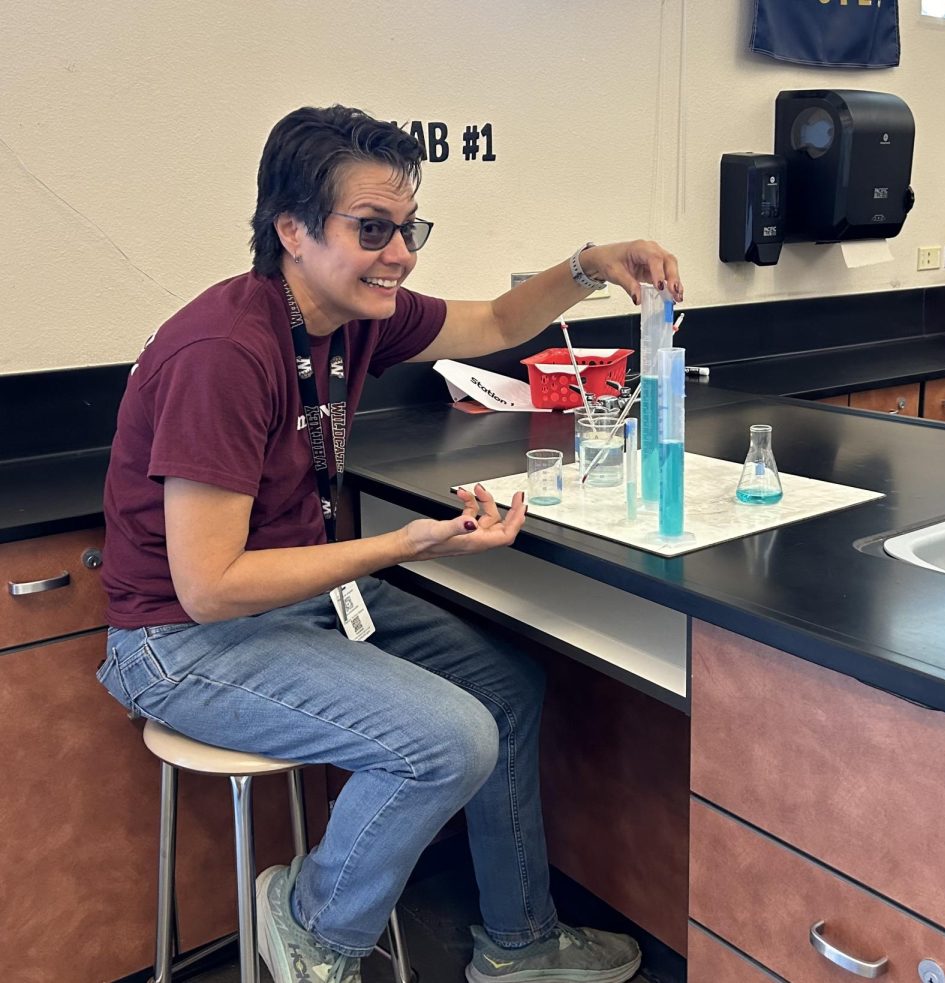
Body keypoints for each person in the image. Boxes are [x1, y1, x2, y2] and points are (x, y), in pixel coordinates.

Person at [97, 104, 684, 983]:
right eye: (374, 229)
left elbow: (490, 322)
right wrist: (402, 545)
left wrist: (589, 266)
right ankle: (311, 925)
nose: (403, 253)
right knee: (450, 739)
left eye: (409, 228)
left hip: (288, 603)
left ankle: (519, 943)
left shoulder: (353, 311)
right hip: (179, 639)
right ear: (291, 228)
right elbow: (210, 586)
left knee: (507, 687)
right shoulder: (225, 351)